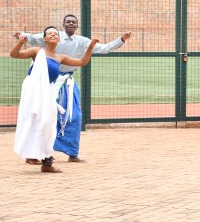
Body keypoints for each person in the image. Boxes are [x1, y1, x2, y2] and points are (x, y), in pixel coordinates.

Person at [18, 14, 132, 163]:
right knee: (42, 115)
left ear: (77, 25)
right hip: (47, 81)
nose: (71, 24)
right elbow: (33, 38)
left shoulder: (82, 41)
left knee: (74, 115)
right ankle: (35, 154)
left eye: (73, 22)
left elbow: (103, 49)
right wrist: (22, 36)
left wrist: (121, 40)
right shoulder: (54, 35)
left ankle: (72, 153)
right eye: (68, 22)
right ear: (63, 24)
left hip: (67, 82)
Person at [11, 27, 98, 173]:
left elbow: (82, 62)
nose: (53, 34)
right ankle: (35, 156)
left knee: (48, 124)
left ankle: (46, 162)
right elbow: (14, 55)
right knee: (35, 122)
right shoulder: (37, 51)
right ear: (44, 38)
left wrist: (90, 47)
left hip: (48, 92)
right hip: (34, 91)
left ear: (59, 38)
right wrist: (20, 43)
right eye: (49, 33)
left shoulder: (60, 57)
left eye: (55, 33)